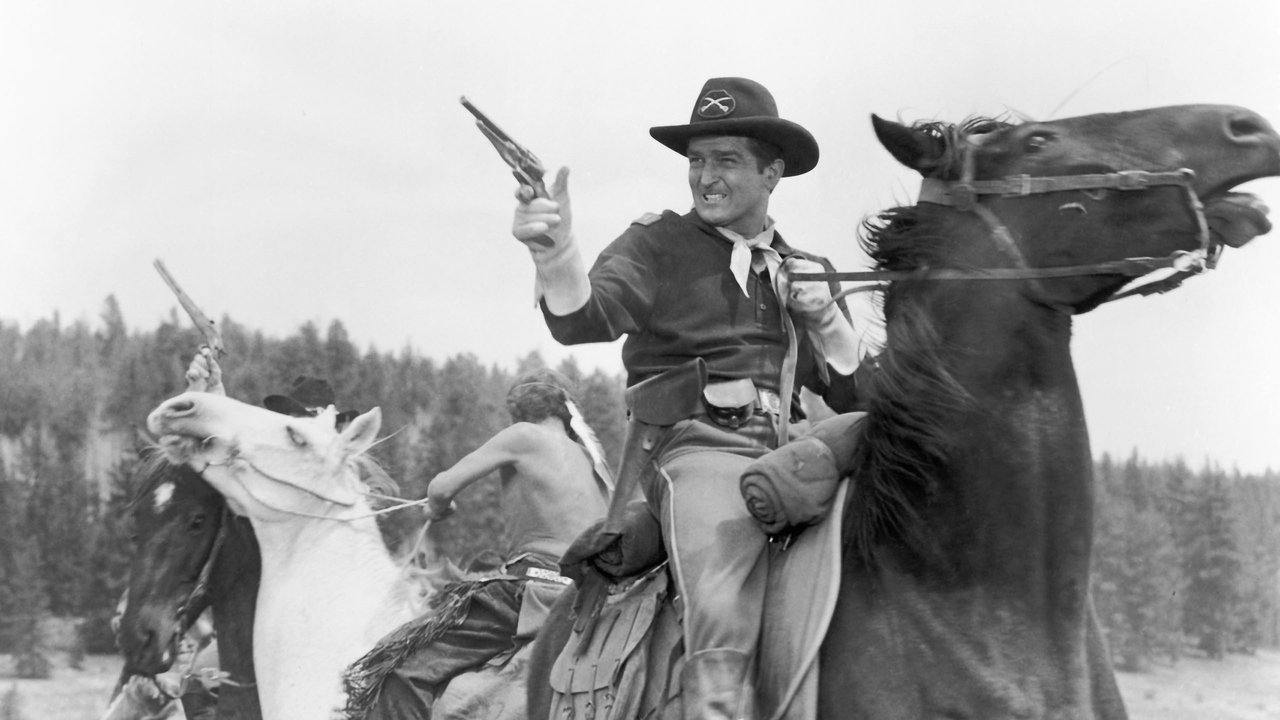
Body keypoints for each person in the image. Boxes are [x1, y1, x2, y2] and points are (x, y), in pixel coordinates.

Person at [510, 77, 865, 719]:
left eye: (726, 160)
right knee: (722, 595)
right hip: (698, 450)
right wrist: (555, 253)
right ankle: (716, 707)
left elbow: (858, 393)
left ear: (772, 173)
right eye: (697, 160)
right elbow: (584, 316)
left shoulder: (808, 269)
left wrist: (828, 322)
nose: (705, 177)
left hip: (801, 453)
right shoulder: (656, 244)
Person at [364, 369, 611, 717]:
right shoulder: (590, 460)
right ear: (566, 409)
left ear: (518, 410)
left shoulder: (524, 435)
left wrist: (439, 507)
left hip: (533, 593)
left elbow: (441, 487)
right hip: (586, 599)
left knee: (399, 671)